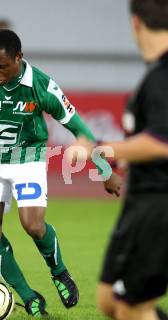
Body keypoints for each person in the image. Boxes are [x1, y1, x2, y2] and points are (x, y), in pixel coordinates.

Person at [0, 29, 122, 317]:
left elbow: (80, 129)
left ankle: (59, 271)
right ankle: (29, 297)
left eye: (2, 66)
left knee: (33, 225)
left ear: (19, 58)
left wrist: (105, 171)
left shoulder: (42, 86)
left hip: (28, 160)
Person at [69, 1, 168, 319]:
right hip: (139, 204)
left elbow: (161, 142)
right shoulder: (156, 74)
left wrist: (99, 148)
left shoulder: (162, 77)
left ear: (135, 23)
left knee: (131, 308)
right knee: (109, 300)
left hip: (158, 205)